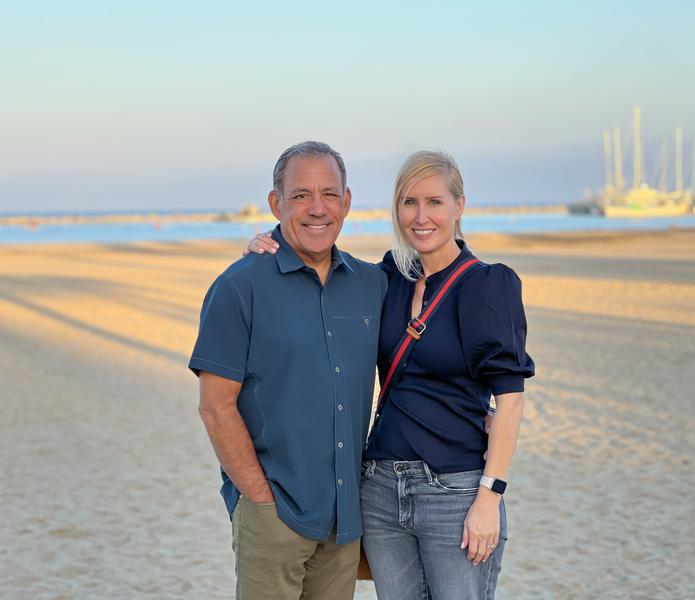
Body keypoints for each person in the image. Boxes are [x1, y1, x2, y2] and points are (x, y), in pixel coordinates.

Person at [245, 149, 534, 599]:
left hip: (454, 490)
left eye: (434, 202)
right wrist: (270, 242)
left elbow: (511, 401)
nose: (421, 217)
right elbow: (321, 269)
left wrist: (489, 498)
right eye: (409, 202)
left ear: (459, 207)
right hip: (379, 487)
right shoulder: (388, 278)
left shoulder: (488, 285)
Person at [189, 141, 387, 600]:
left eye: (329, 194)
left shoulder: (373, 284)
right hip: (273, 514)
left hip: (345, 519)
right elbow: (215, 408)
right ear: (276, 203)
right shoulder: (239, 287)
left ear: (347, 201)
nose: (317, 209)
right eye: (300, 195)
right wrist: (259, 499)